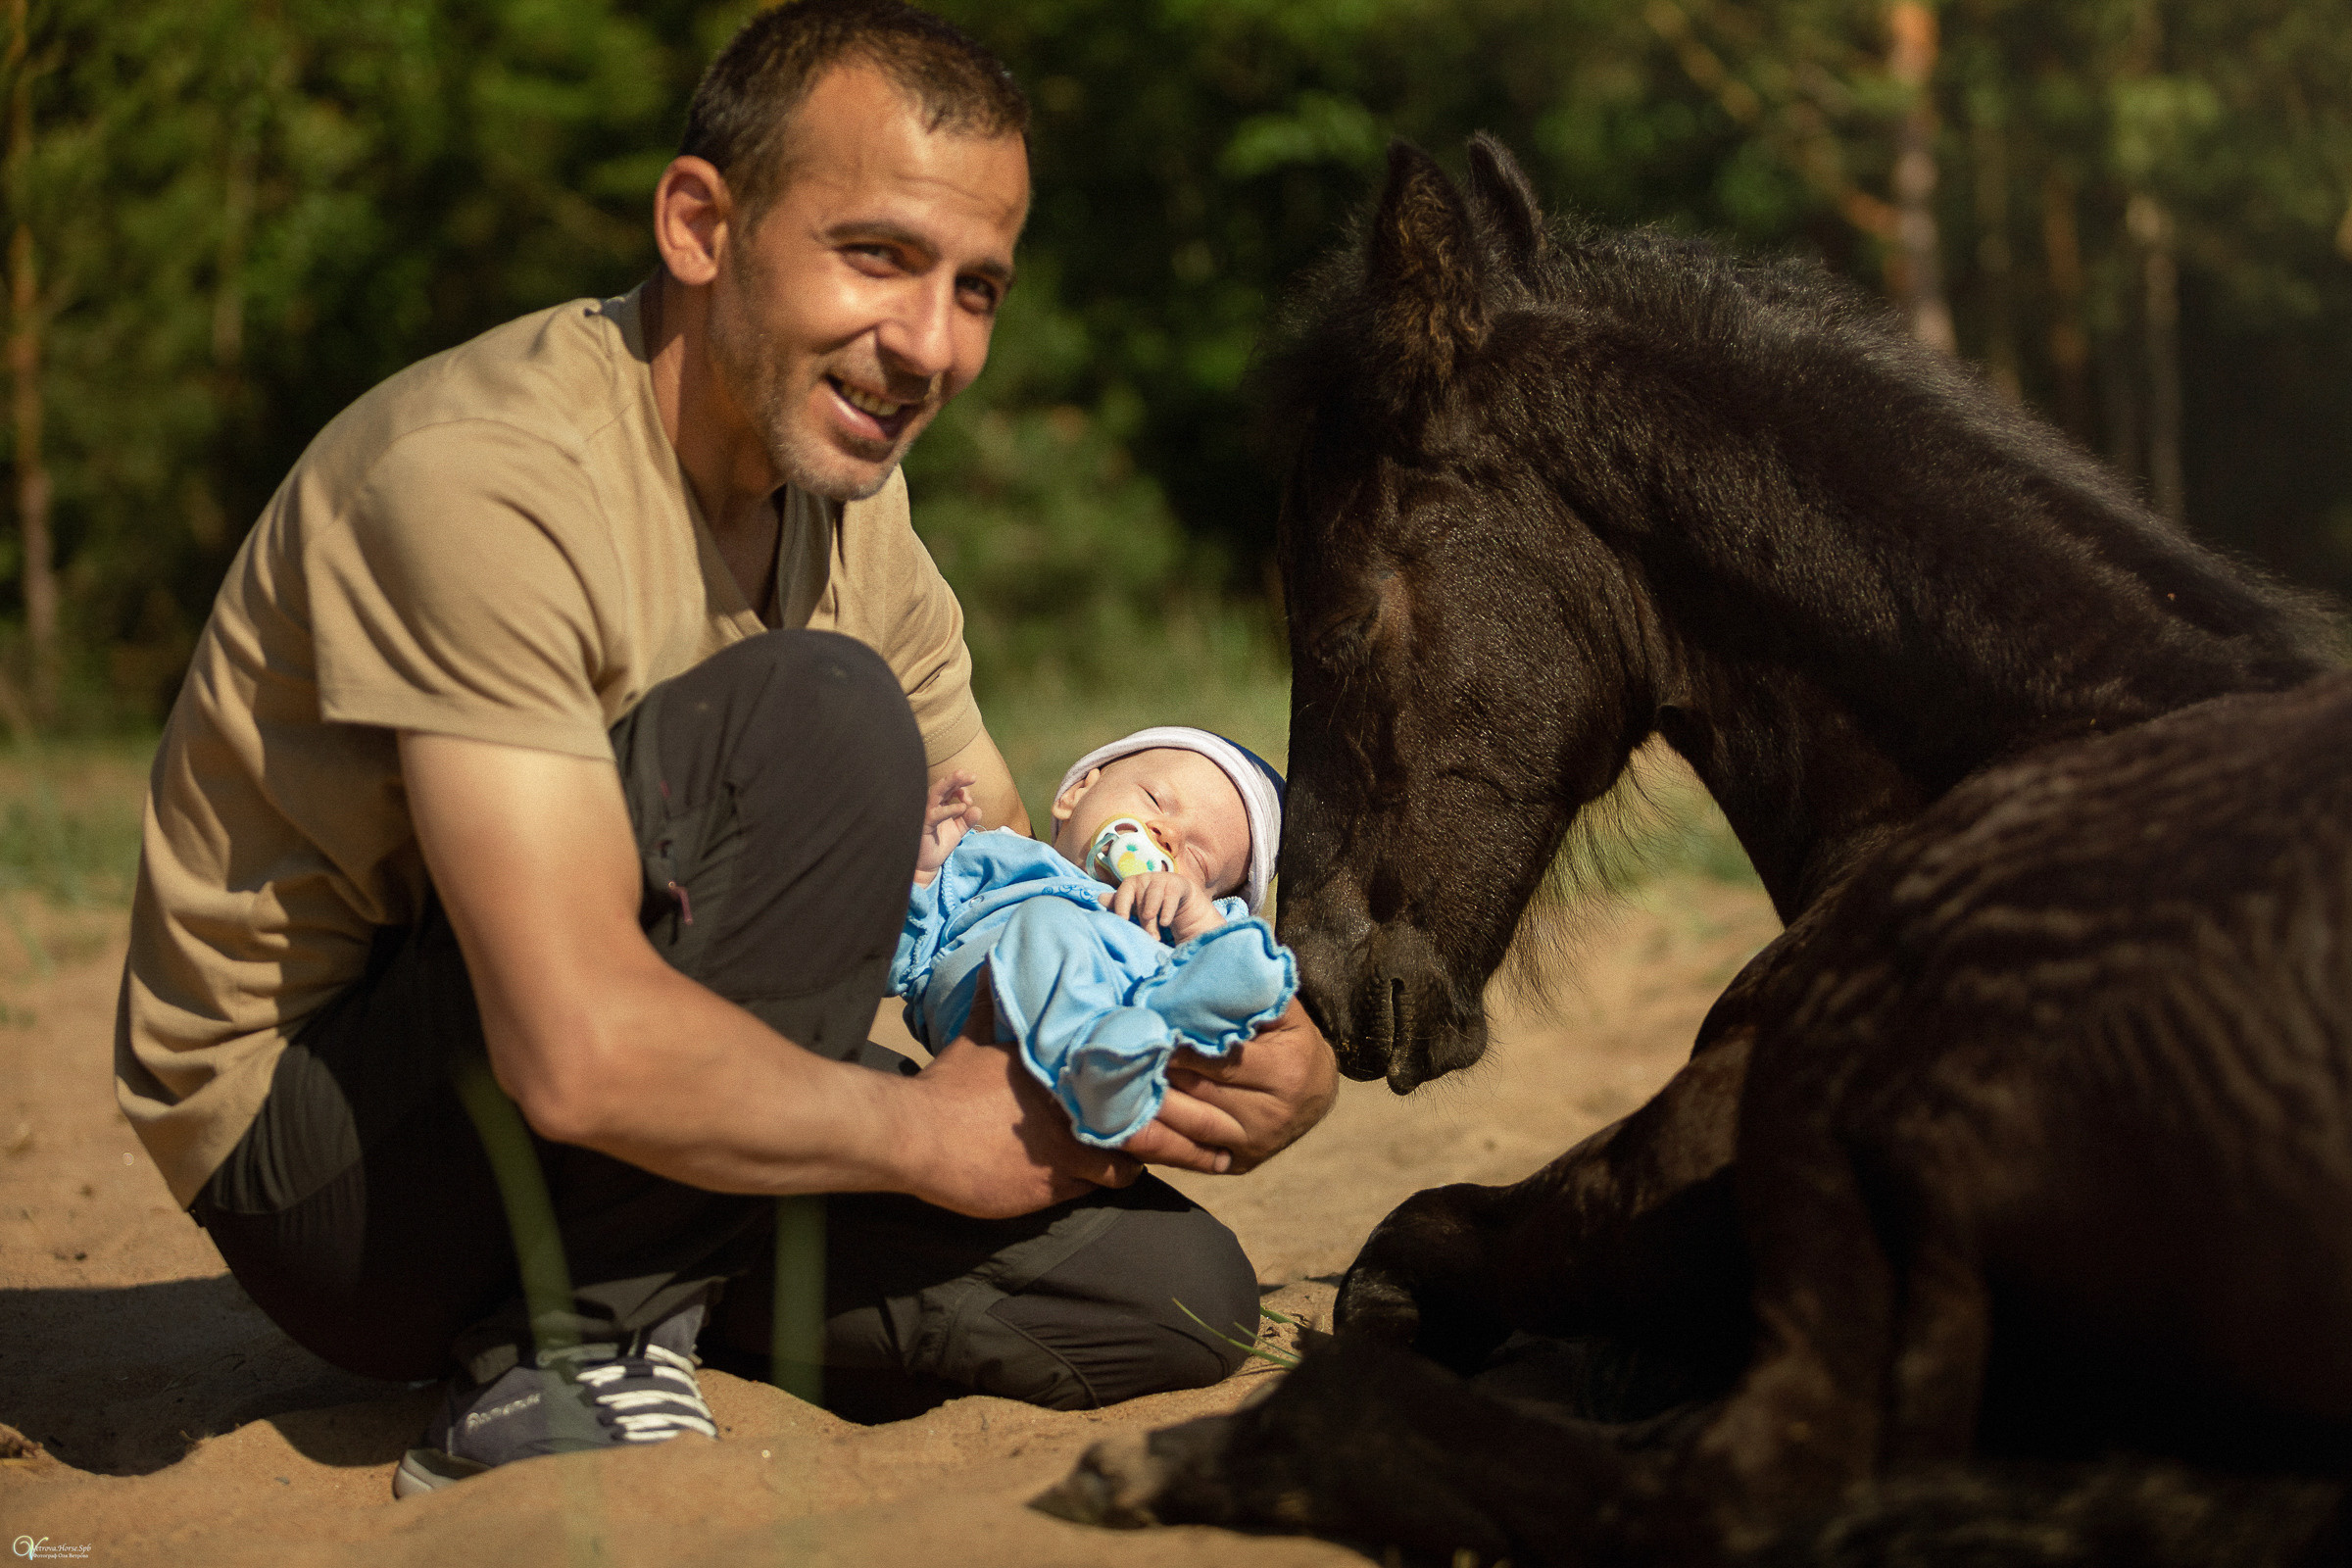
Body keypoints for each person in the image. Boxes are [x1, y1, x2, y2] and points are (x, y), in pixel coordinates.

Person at [111, 0, 1337, 1497]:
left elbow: (1003, 890)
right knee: (822, 718)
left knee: (1165, 1299)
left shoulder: (851, 504)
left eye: (978, 287)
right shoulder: (483, 480)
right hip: (337, 1156)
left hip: (618, 1112)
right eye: (876, 256)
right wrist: (912, 1137)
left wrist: (1179, 1036)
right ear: (701, 224)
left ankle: (659, 1285)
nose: (930, 345)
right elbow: (569, 1051)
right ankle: (575, 1351)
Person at [900, 728, 1295, 1149]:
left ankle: (1119, 1061)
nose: (1169, 836)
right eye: (1156, 801)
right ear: (1077, 795)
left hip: (1125, 1018)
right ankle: (1100, 1068)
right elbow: (900, 965)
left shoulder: (1174, 921)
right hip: (983, 1022)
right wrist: (918, 872)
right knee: (1046, 922)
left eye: (1198, 858)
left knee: (1246, 968)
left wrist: (1193, 915)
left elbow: (1233, 964)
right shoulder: (995, 856)